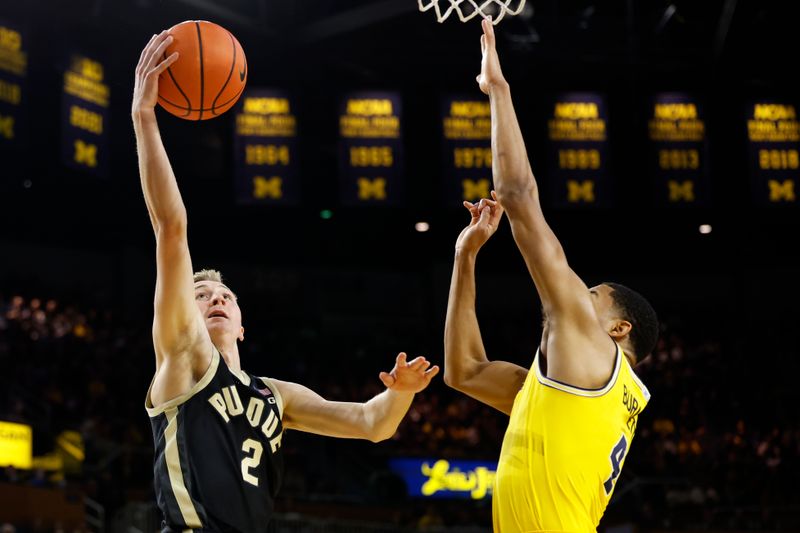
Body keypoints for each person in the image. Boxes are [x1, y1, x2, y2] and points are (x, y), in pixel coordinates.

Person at [132, 31, 440, 532]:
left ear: (242, 323)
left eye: (225, 296)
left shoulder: (277, 395)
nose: (216, 299)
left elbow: (372, 425)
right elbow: (171, 228)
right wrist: (144, 118)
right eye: (201, 295)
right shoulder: (184, 357)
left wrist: (402, 392)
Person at [443, 19, 659, 532]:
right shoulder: (569, 391)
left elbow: (517, 198)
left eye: (589, 295)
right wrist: (464, 257)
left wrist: (498, 89)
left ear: (617, 329)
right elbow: (464, 372)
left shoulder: (595, 356)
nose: (572, 296)